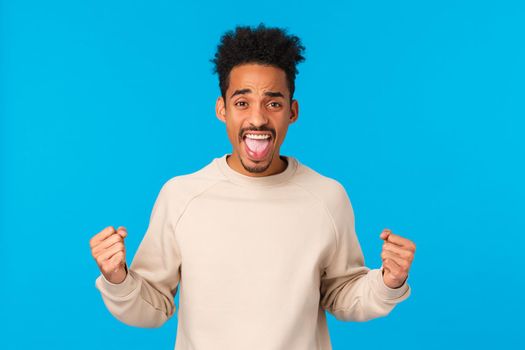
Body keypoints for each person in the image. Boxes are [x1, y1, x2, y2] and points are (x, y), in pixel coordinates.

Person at [90, 23, 416, 350]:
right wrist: (118, 279)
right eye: (242, 102)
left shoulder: (327, 197)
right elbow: (152, 307)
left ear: (292, 111)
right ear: (223, 109)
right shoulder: (181, 196)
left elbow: (343, 295)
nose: (258, 119)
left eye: (273, 103)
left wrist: (387, 282)